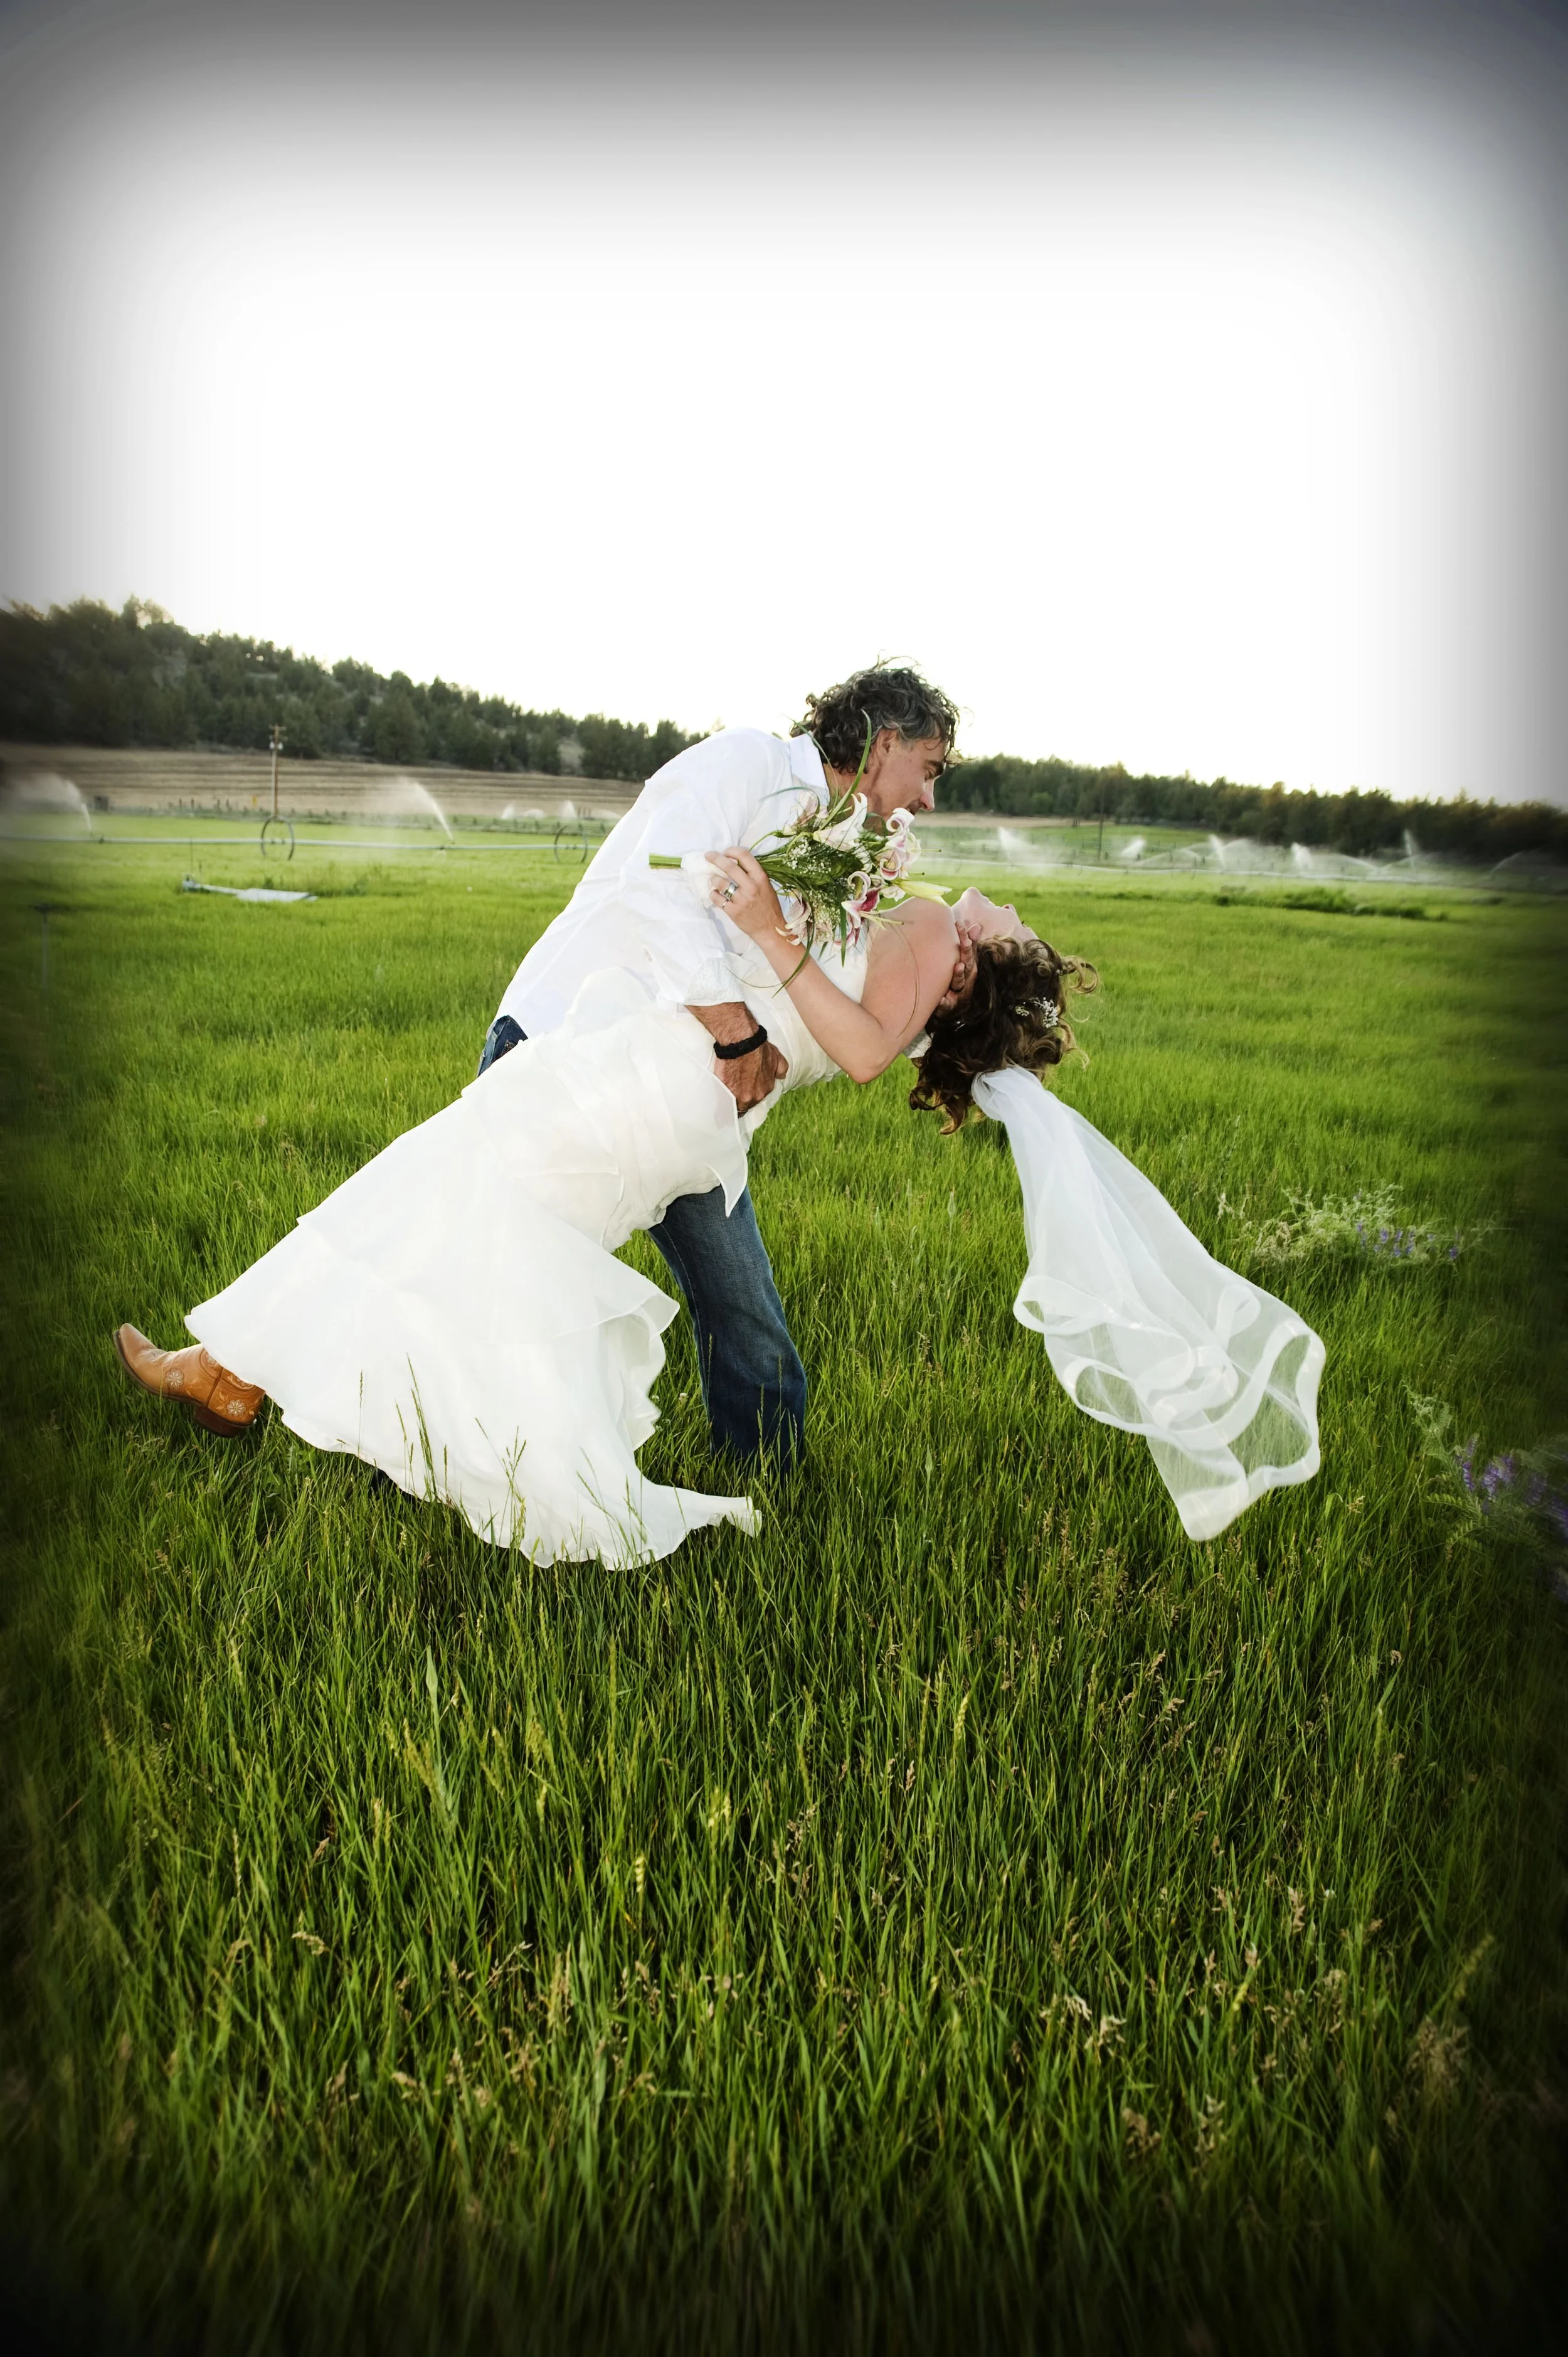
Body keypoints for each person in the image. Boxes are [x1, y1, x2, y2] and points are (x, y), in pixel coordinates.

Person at [116, 858, 1325, 1552]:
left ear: (974, 969)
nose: (1013, 909)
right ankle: (240, 1369)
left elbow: (847, 1046)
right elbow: (841, 1025)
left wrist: (764, 926)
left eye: (1018, 932)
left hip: (643, 1090)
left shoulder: (923, 932)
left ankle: (245, 1371)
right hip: (676, 1111)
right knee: (443, 1213)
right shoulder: (908, 924)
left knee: (426, 1199)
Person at [471, 664, 973, 1472]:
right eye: (931, 769)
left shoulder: (840, 841)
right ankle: (307, 1383)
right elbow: (657, 881)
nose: (929, 798)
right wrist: (739, 1040)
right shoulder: (750, 766)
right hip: (569, 1044)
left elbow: (825, 990)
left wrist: (942, 1006)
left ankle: (767, 1466)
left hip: (680, 1098)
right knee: (478, 1258)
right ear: (885, 744)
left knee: (737, 1294)